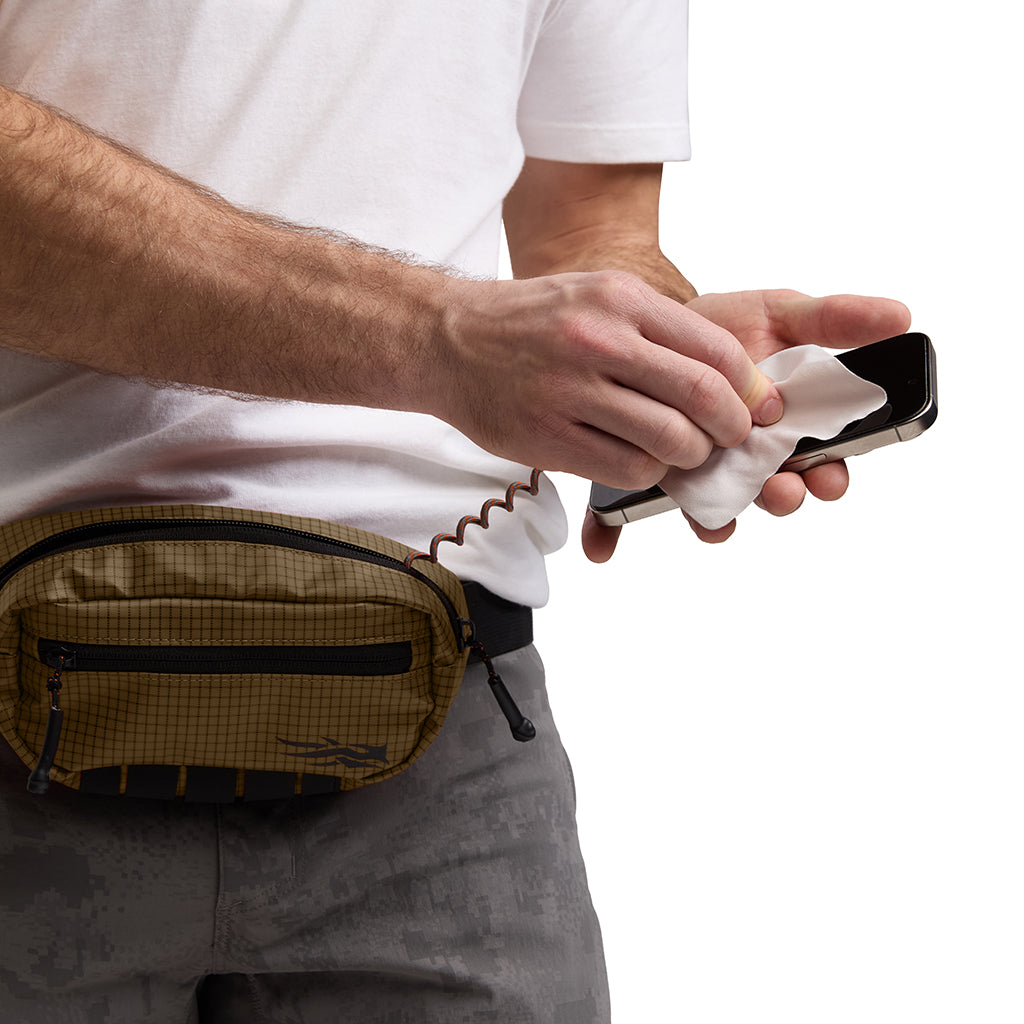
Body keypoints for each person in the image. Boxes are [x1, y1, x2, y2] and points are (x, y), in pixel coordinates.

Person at [0, 2, 911, 1021]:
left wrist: (661, 366)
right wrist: (441, 342)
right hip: (17, 682)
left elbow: (589, 224)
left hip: (449, 701)